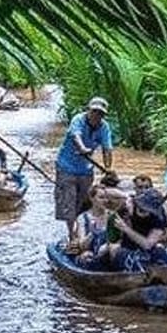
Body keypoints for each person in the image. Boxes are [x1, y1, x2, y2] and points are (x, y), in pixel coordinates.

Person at [54, 97, 114, 239]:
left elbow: (107, 149)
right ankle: (72, 236)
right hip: (66, 167)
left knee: (84, 203)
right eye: (94, 112)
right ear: (88, 110)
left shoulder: (104, 127)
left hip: (85, 170)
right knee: (69, 202)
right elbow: (76, 135)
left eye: (100, 114)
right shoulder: (78, 120)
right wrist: (82, 148)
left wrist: (108, 169)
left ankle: (84, 231)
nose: (97, 116)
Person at [99, 188, 167, 272]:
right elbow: (107, 191)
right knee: (112, 249)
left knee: (160, 250)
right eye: (140, 208)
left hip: (146, 247)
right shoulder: (128, 206)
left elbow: (147, 244)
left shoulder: (159, 218)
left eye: (147, 210)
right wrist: (125, 195)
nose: (143, 211)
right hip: (126, 246)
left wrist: (126, 229)